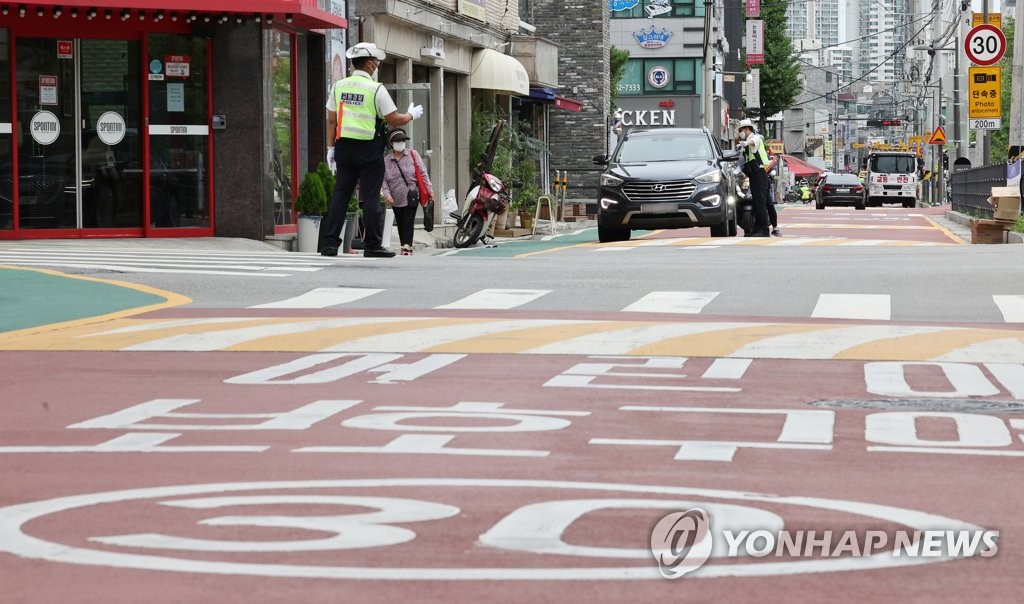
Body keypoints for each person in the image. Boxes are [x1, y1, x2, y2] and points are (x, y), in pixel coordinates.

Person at [320, 42, 423, 258]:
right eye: (375, 61)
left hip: (344, 148)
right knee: (370, 197)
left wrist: (331, 148)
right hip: (368, 149)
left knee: (340, 195)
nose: (377, 65)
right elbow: (394, 119)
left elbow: (331, 120)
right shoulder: (376, 89)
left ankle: (329, 245)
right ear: (368, 64)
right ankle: (373, 245)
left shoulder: (339, 86)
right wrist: (411, 114)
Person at [381, 129, 433, 256]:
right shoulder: (386, 161)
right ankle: (404, 245)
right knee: (400, 222)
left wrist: (430, 190)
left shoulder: (412, 154)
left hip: (411, 195)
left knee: (408, 221)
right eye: (398, 141)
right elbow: (383, 181)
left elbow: (423, 173)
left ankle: (407, 246)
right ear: (392, 143)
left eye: (403, 141)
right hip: (395, 198)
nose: (401, 143)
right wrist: (387, 195)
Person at [735, 119, 770, 237]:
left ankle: (764, 230)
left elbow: (753, 141)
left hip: (760, 173)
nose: (740, 133)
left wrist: (745, 143)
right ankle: (757, 228)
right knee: (756, 201)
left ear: (746, 129)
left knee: (760, 202)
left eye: (741, 130)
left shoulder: (756, 138)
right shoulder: (746, 144)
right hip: (754, 175)